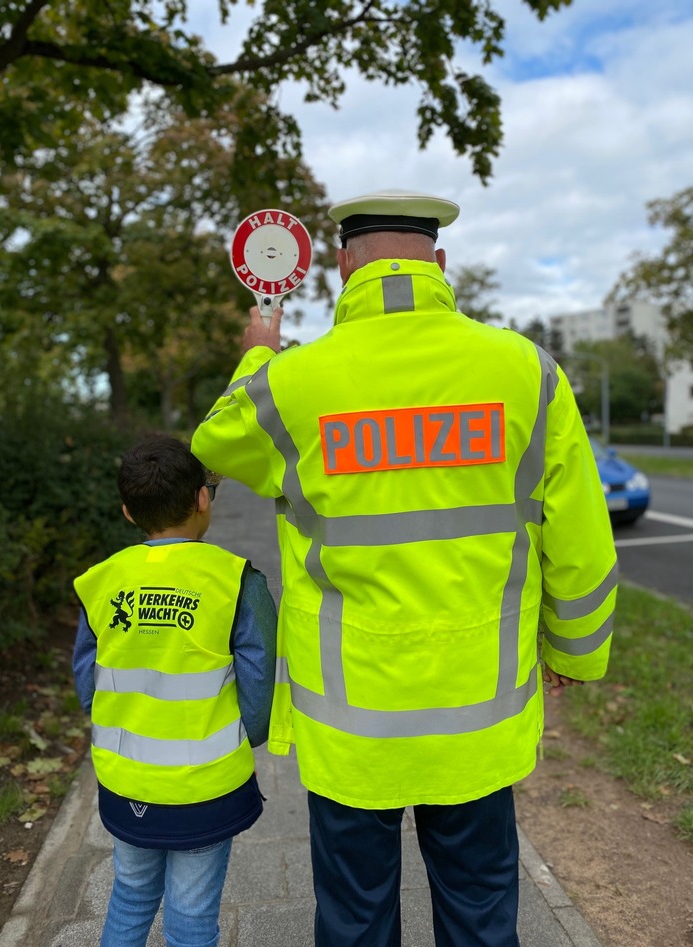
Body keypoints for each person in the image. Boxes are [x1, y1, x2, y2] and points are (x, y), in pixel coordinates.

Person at [191, 189, 617, 947]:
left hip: (350, 722)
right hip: (477, 716)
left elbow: (216, 442)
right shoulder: (527, 371)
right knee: (482, 908)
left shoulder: (292, 384)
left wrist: (261, 343)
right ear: (441, 264)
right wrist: (575, 651)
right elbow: (582, 541)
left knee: (355, 918)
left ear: (344, 267)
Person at [72, 435, 277, 947]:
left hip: (126, 781)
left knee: (131, 895)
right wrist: (241, 737)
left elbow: (85, 680)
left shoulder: (101, 582)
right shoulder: (235, 581)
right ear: (202, 500)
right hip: (205, 784)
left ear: (127, 511)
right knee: (191, 914)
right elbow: (259, 686)